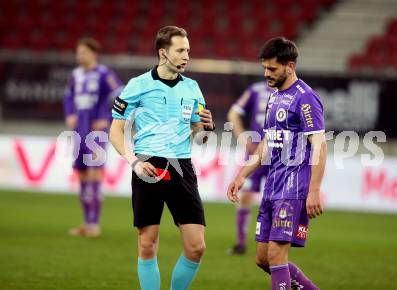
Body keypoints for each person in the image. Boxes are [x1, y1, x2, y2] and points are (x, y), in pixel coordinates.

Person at [109, 26, 214, 290]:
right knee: (147, 244)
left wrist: (206, 128)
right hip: (148, 165)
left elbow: (198, 137)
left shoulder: (193, 88)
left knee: (196, 247)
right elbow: (115, 130)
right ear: (163, 53)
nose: (186, 56)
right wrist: (134, 162)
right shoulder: (138, 85)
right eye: (180, 50)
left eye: (188, 51)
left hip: (182, 167)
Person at [227, 37, 327, 290]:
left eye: (272, 69)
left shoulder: (306, 98)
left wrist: (314, 190)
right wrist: (242, 175)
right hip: (273, 185)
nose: (266, 73)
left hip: (294, 188)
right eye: (264, 67)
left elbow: (320, 145)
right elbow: (266, 144)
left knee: (276, 256)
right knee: (262, 259)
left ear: (290, 66)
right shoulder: (274, 97)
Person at [63, 37, 123, 237]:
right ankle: (86, 222)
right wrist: (70, 113)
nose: (79, 56)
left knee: (94, 174)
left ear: (93, 54)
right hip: (79, 131)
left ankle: (94, 224)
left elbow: (120, 96)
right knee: (81, 174)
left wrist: (107, 118)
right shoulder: (76, 74)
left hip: (97, 133)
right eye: (78, 52)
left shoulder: (104, 74)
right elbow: (68, 96)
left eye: (83, 52)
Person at [226, 81, 272, 255]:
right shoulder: (256, 90)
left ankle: (272, 244)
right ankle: (241, 243)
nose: (268, 72)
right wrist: (242, 137)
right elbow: (233, 113)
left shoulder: (289, 92)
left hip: (278, 154)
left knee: (275, 200)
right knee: (245, 196)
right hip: (254, 153)